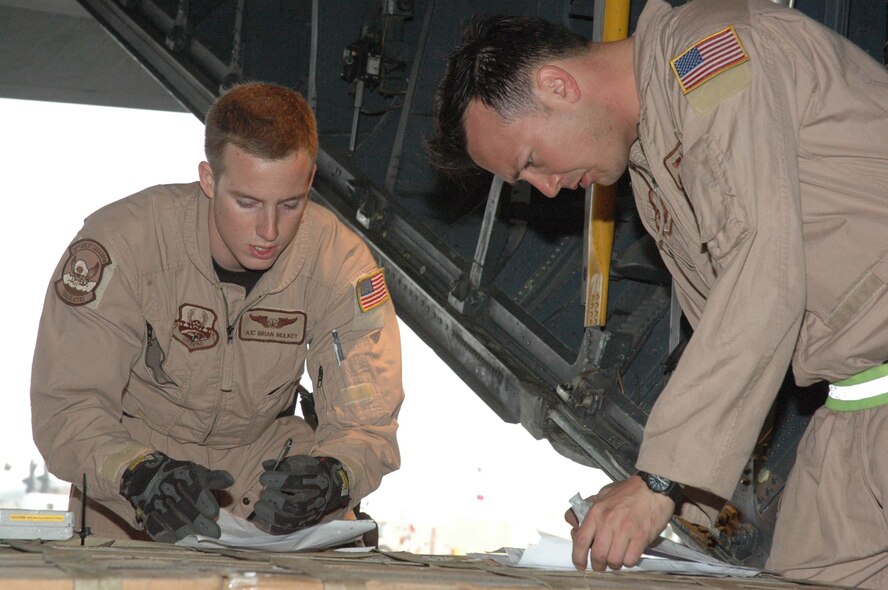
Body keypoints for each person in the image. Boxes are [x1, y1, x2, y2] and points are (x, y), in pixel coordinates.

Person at [430, 2, 888, 587]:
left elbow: (764, 274)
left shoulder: (710, 53)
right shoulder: (653, 172)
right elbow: (739, 337)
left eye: (532, 163)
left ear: (556, 85)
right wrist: (646, 491)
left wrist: (661, 483)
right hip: (857, 406)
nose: (546, 191)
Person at [30, 82, 404, 543]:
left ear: (309, 182)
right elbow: (68, 408)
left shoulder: (340, 264)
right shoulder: (122, 243)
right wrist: (137, 476)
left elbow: (365, 424)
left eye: (290, 204)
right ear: (209, 180)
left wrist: (335, 476)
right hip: (135, 478)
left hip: (267, 479)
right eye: (247, 203)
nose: (269, 230)